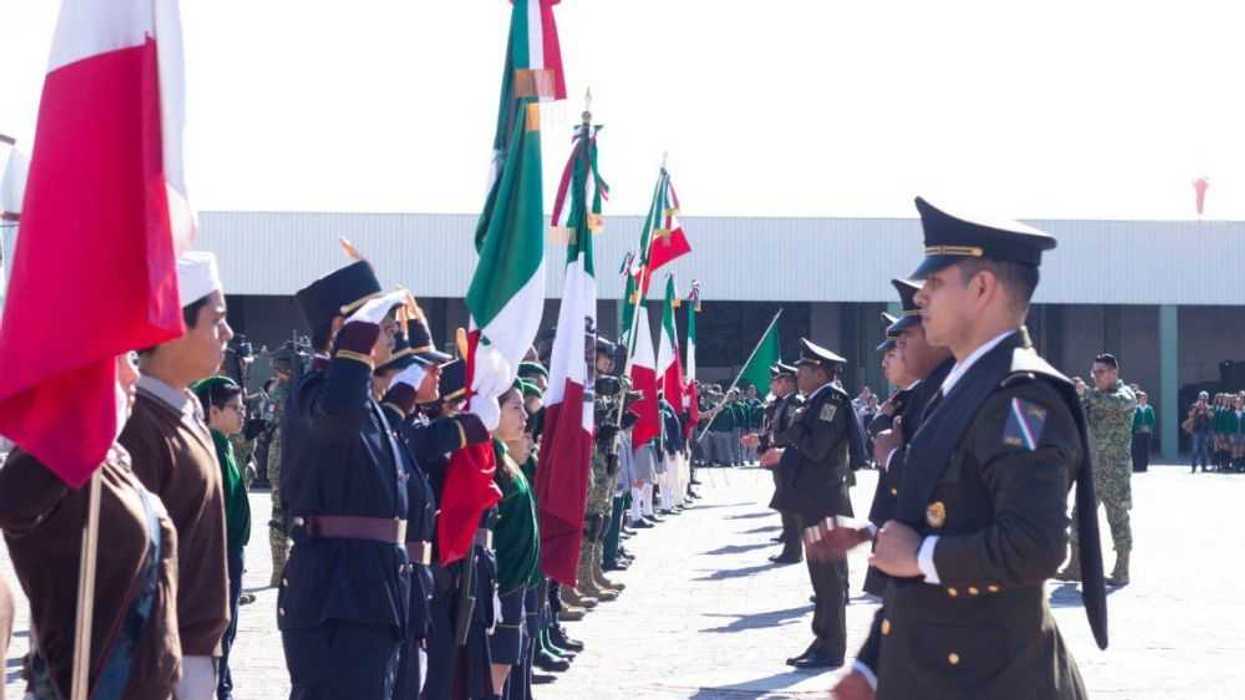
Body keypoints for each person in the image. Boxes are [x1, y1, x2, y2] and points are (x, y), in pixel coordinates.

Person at [831, 197, 1107, 700]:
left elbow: (1035, 545)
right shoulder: (961, 387)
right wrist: (872, 666)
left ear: (981, 288)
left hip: (993, 681)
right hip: (936, 672)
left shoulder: (1022, 397)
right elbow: (920, 525)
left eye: (935, 283)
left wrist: (924, 556)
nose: (921, 299)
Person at [0, 353, 181, 699]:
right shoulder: (54, 452)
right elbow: (11, 504)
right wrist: (81, 422)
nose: (133, 376)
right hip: (85, 683)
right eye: (122, 359)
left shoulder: (114, 462)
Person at [278, 259, 417, 699]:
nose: (392, 330)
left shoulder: (364, 399)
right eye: (381, 321)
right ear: (344, 327)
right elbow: (338, 420)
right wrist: (353, 347)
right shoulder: (314, 391)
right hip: (336, 593)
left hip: (369, 587)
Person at [120, 251, 233, 699]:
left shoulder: (184, 413)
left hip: (194, 650)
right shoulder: (139, 427)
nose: (227, 332)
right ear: (171, 327)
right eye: (216, 320)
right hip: (159, 657)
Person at [760, 338, 861, 669]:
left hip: (825, 499)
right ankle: (822, 640)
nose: (798, 373)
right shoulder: (814, 401)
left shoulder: (830, 400)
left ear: (820, 372)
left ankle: (831, 648)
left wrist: (792, 432)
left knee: (828, 580)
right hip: (816, 498)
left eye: (804, 368)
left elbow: (817, 449)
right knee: (820, 577)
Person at [190, 376, 253, 700]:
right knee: (218, 630)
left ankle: (222, 685)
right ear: (213, 411)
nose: (243, 414)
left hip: (231, 552)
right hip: (217, 555)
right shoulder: (208, 447)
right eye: (236, 408)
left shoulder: (224, 444)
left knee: (226, 631)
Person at [1058, 353, 1136, 587]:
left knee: (1118, 519)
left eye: (1100, 372)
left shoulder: (1125, 395)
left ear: (1114, 373)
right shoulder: (1093, 398)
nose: (1095, 377)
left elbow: (1117, 404)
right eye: (1093, 372)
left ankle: (1121, 570)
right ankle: (1075, 566)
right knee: (1079, 516)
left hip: (1115, 472)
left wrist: (1087, 393)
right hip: (1092, 469)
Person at [266, 348, 295, 587]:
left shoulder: (281, 390)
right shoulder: (282, 391)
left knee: (280, 514)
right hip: (285, 458)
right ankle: (279, 570)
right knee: (280, 515)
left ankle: (282, 570)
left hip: (286, 458)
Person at [1187, 391, 1213, 472]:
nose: (1203, 400)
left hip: (1205, 431)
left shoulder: (1209, 407)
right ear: (1199, 398)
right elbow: (1190, 415)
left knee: (1204, 449)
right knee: (1195, 449)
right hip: (1196, 430)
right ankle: (1193, 466)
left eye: (1205, 398)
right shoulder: (1194, 406)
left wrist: (1205, 409)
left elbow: (1211, 416)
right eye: (1202, 398)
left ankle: (1204, 467)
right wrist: (1197, 408)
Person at [1131, 390, 1155, 472]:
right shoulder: (1136, 408)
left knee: (1146, 449)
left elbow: (1152, 420)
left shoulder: (1149, 408)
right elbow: (1133, 420)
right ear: (1139, 399)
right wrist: (1136, 427)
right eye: (1142, 398)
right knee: (1137, 449)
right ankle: (1137, 466)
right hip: (1137, 432)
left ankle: (1144, 466)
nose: (1143, 400)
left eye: (1145, 398)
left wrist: (1148, 426)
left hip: (1146, 432)